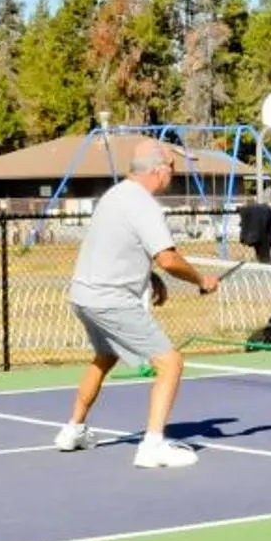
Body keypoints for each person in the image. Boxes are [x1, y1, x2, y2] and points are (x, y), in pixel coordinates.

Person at [55, 141, 222, 468]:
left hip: (83, 296)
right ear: (158, 169)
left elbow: (121, 246)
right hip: (110, 300)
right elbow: (169, 258)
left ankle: (72, 429)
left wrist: (149, 278)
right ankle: (153, 446)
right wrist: (202, 281)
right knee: (170, 363)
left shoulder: (114, 195)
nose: (173, 176)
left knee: (105, 356)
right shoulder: (144, 205)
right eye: (172, 169)